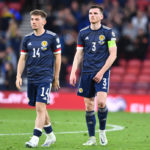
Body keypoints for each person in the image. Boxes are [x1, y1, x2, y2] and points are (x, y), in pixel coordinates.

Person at [70, 5, 117, 146]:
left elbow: (113, 54)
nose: (92, 15)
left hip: (102, 71)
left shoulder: (108, 32)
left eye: (95, 13)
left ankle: (102, 131)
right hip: (86, 72)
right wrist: (73, 71)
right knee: (89, 105)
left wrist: (102, 72)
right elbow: (78, 54)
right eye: (90, 13)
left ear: (101, 16)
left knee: (101, 102)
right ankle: (91, 138)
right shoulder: (83, 33)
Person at [16, 9, 61, 148]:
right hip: (31, 77)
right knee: (41, 108)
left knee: (40, 107)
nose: (33, 22)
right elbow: (22, 58)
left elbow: (58, 57)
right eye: (32, 19)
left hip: (45, 77)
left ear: (44, 21)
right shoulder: (27, 38)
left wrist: (56, 77)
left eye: (36, 19)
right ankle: (51, 136)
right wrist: (18, 75)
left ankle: (35, 138)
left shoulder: (52, 37)